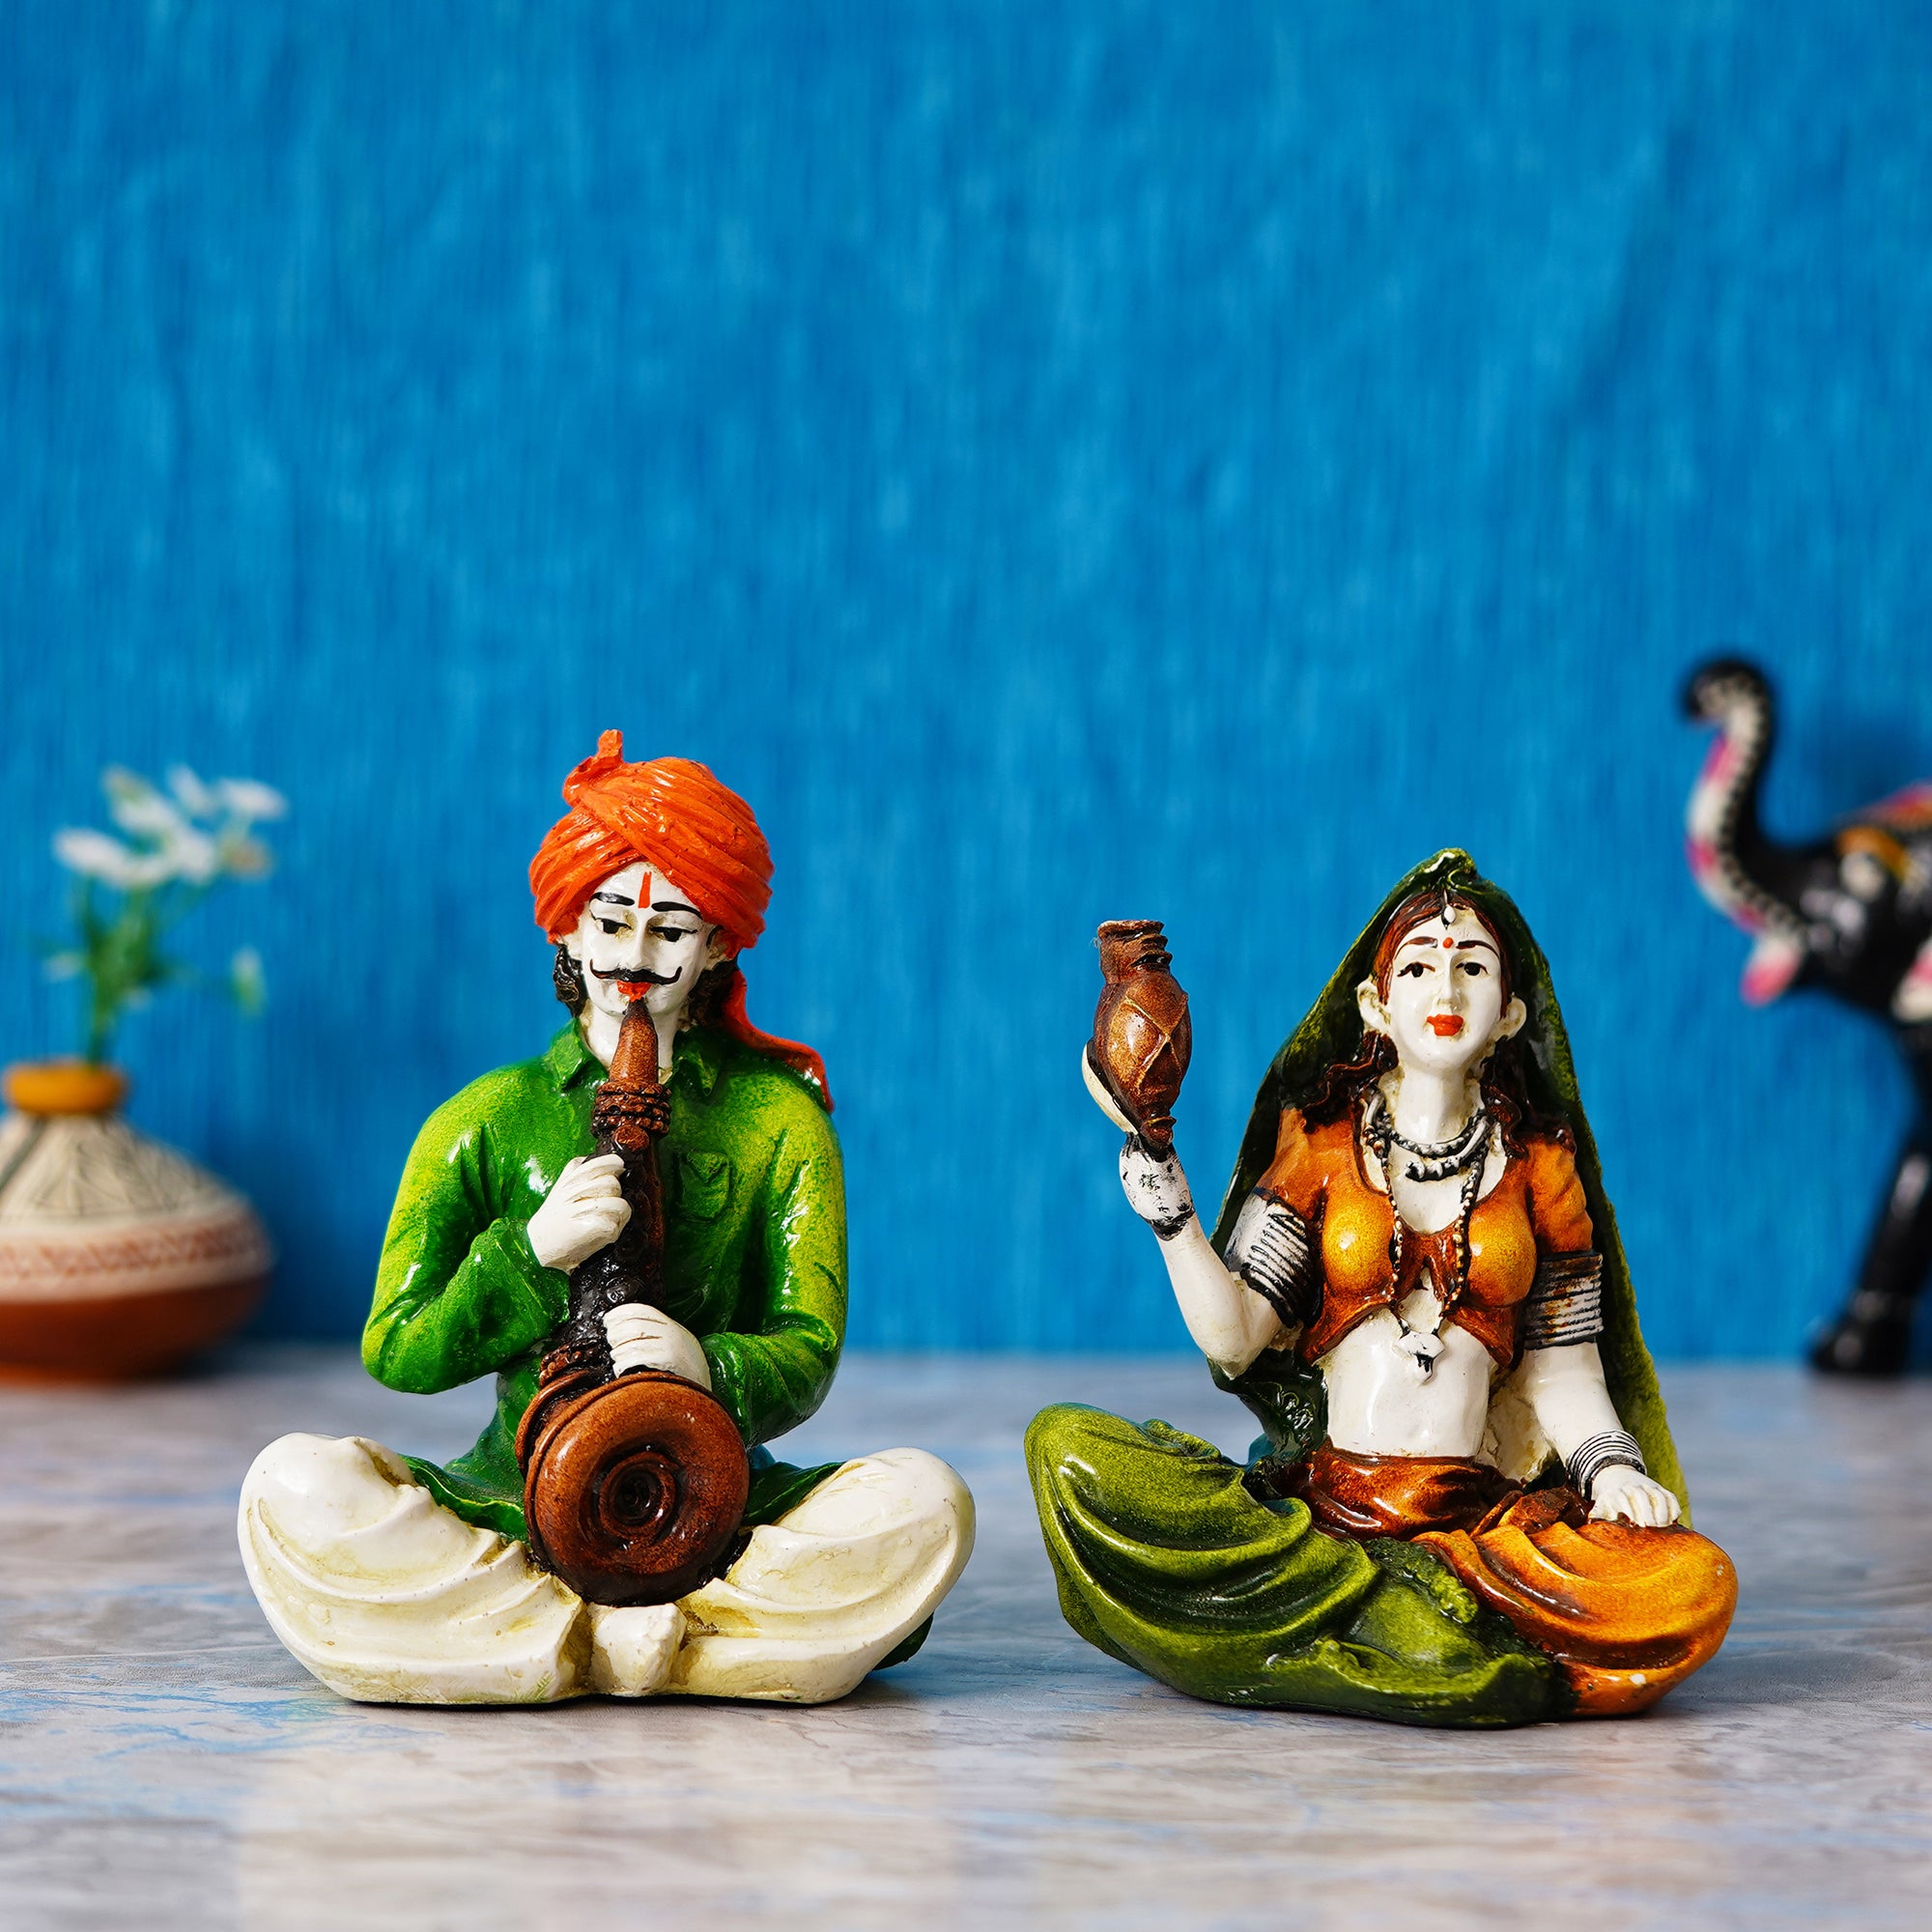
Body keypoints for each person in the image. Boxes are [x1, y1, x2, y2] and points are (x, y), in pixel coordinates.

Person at [240, 733, 973, 1705]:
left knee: (926, 1499)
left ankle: (561, 1641)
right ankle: (663, 1640)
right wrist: (531, 1254)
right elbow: (396, 1347)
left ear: (717, 943)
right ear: (567, 931)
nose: (634, 956)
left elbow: (807, 1342)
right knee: (291, 1483)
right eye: (612, 922)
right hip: (513, 1496)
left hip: (718, 1504)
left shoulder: (779, 1119)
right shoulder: (485, 1119)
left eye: (670, 930)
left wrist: (705, 1364)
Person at [1028, 851, 1734, 1726]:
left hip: (1474, 1532)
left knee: (1693, 1582)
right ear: (1375, 1004)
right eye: (1419, 966)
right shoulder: (1320, 1142)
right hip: (1326, 1518)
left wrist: (1616, 1471)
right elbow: (1236, 1336)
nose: (1447, 987)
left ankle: (1407, 1628)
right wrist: (1170, 1213)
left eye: (1473, 966)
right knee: (1071, 1450)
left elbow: (1565, 1377)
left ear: (1511, 1009)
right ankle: (1412, 1635)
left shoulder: (1542, 1167)